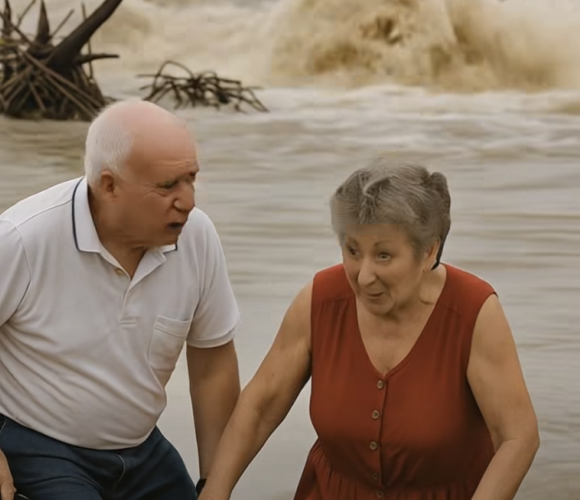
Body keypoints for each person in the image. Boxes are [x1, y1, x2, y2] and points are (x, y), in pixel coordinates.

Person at [0, 99, 241, 500]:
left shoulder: (196, 235)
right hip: (36, 441)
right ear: (109, 184)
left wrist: (214, 484)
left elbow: (212, 363)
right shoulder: (25, 236)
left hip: (141, 448)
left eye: (191, 179)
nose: (188, 201)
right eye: (168, 186)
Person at [199, 159, 540, 500]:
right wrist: (214, 491)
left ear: (429, 251)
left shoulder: (473, 313)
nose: (363, 276)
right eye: (352, 250)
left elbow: (517, 437)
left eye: (384, 256)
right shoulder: (320, 301)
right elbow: (261, 406)